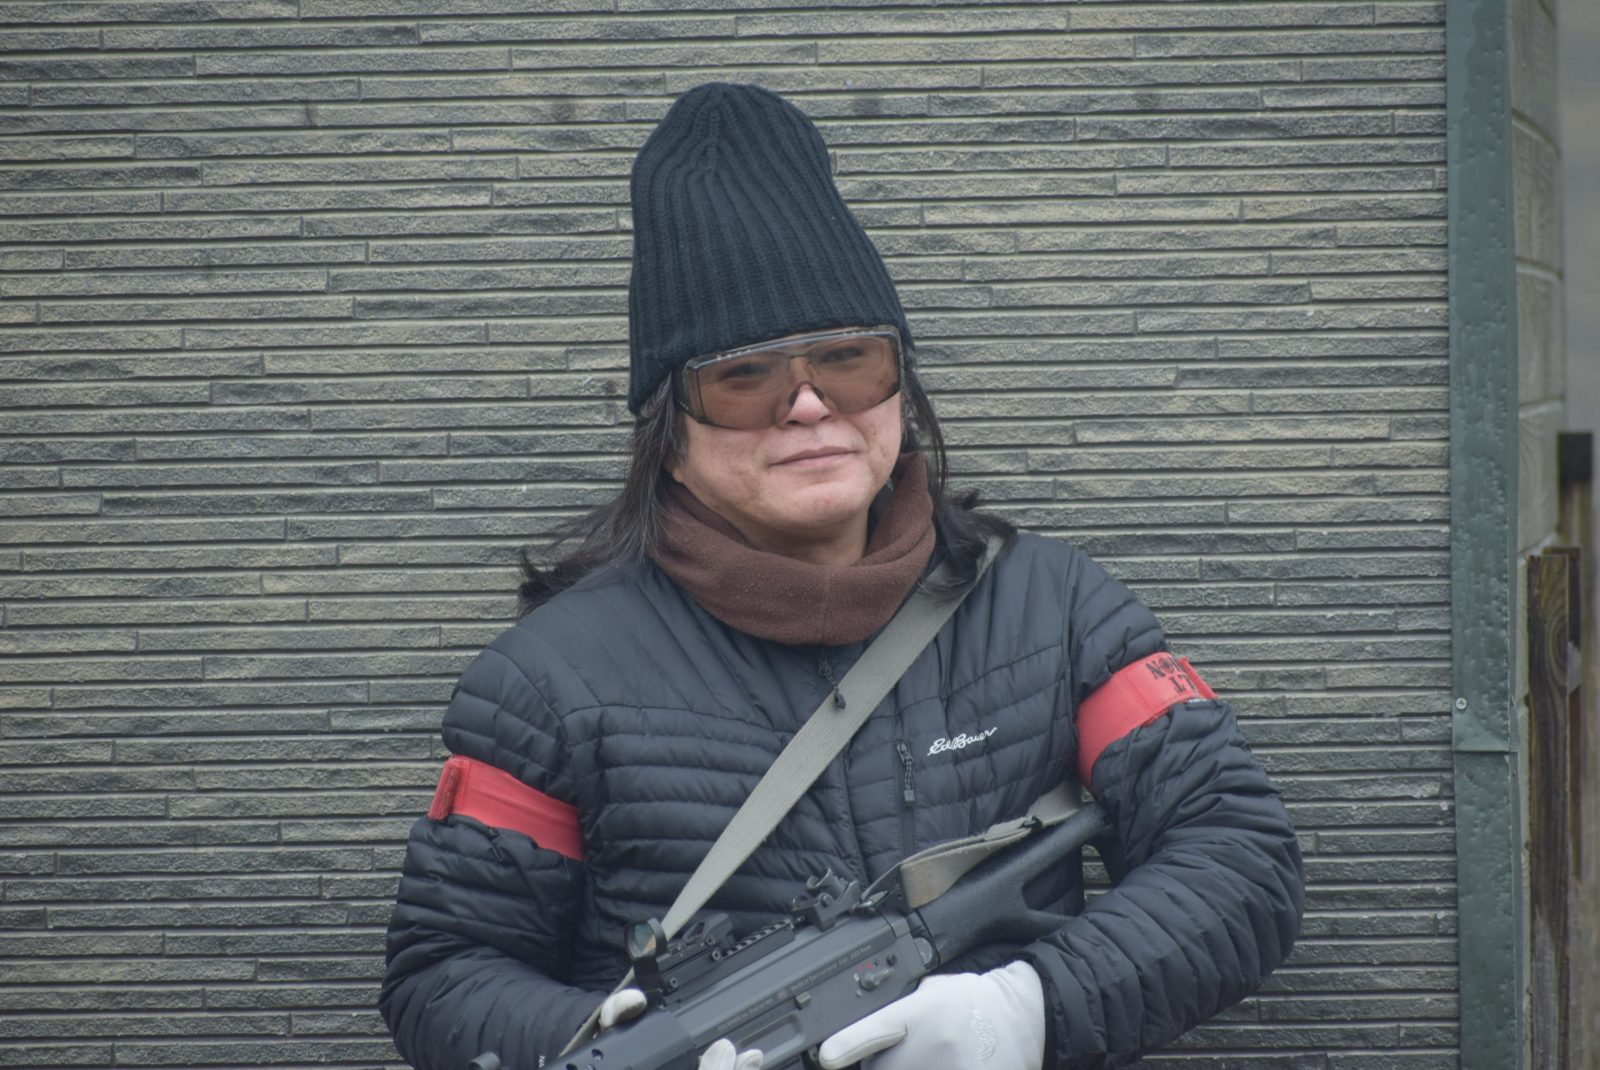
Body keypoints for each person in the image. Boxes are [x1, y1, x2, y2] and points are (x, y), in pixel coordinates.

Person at [379, 81, 1304, 1070]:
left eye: (849, 360)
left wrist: (1031, 1008)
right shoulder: (542, 684)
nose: (810, 406)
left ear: (901, 388)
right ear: (668, 432)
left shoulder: (1060, 610)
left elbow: (1237, 854)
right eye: (743, 378)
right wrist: (627, 1049)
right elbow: (446, 976)